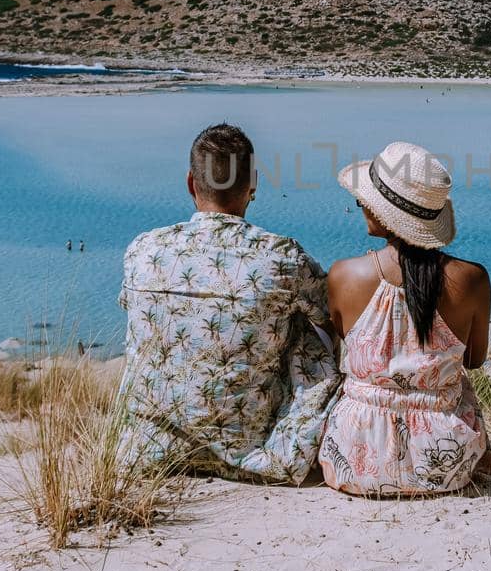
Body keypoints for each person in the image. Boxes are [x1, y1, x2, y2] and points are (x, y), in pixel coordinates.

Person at [115, 123, 341, 484]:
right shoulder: (280, 257)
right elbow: (333, 313)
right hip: (250, 451)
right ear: (252, 185)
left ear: (191, 182)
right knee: (306, 326)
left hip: (147, 449)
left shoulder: (143, 249)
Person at [320, 141, 491, 496]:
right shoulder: (473, 279)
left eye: (363, 200)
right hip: (445, 462)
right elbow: (475, 360)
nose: (361, 206)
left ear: (382, 212)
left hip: (355, 459)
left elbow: (341, 352)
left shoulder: (344, 275)